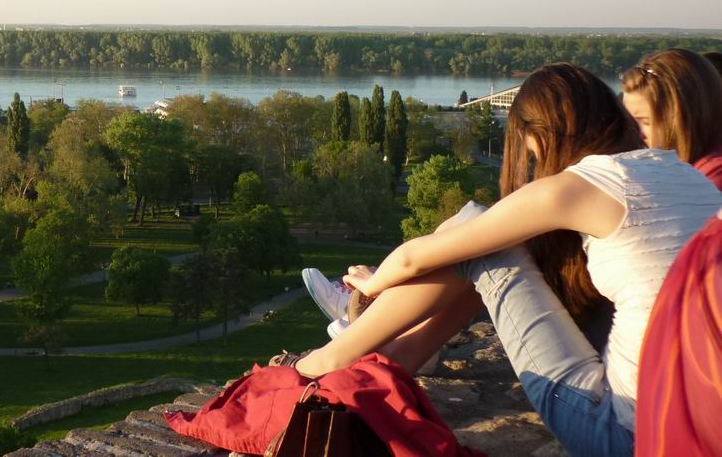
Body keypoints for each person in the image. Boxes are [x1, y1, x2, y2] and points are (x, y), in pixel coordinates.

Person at [287, 63, 722, 457]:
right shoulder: (683, 173)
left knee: (482, 236)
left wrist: (374, 283)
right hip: (684, 417)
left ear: (541, 134)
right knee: (496, 240)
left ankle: (327, 362)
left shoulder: (580, 186)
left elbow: (413, 259)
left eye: (531, 150)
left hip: (624, 433)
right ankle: (390, 361)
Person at [621, 48, 722, 190]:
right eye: (631, 121)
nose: (635, 132)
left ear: (686, 116)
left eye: (646, 122)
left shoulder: (713, 177)